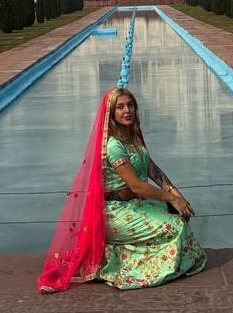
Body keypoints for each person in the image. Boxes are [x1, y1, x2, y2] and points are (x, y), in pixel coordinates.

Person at [38, 87, 207, 293]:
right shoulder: (113, 145)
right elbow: (136, 185)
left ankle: (128, 255)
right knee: (176, 227)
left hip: (135, 205)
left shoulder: (132, 136)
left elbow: (151, 168)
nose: (127, 110)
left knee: (180, 218)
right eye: (120, 107)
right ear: (111, 113)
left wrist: (175, 192)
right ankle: (127, 268)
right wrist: (171, 198)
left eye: (130, 105)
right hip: (115, 211)